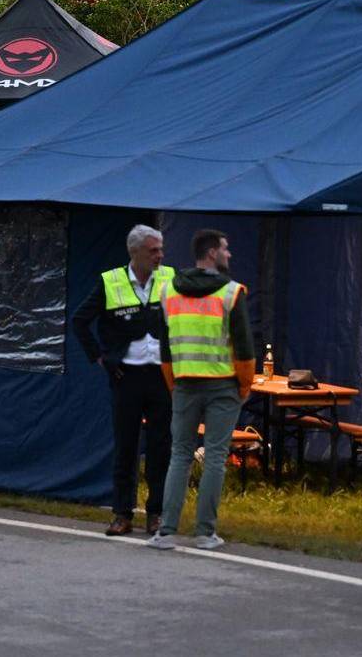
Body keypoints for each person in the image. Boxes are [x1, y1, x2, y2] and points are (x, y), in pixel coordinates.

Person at [151, 228, 258, 552]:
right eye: (225, 249)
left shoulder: (169, 290)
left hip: (184, 383)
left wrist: (174, 384)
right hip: (222, 384)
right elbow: (244, 347)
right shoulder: (231, 292)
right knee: (215, 457)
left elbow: (165, 348)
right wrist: (245, 385)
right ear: (212, 253)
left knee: (180, 455)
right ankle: (204, 533)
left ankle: (165, 531)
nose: (229, 254)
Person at [71, 224, 174, 537]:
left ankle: (155, 513)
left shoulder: (171, 278)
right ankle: (122, 513)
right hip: (125, 374)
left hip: (161, 374)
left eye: (160, 249)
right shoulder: (111, 281)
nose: (159, 255)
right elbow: (79, 320)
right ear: (135, 252)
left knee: (160, 446)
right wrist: (100, 358)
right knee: (126, 445)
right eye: (153, 250)